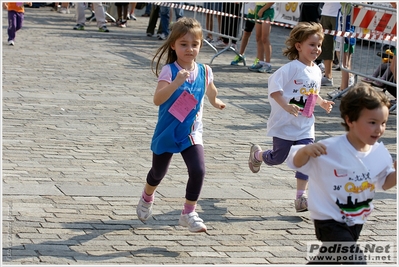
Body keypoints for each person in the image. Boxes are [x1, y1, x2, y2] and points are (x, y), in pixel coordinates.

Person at [286, 83, 396, 264]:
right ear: (350, 120)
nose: (379, 129)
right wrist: (305, 151)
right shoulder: (329, 148)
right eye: (372, 123)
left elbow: (385, 183)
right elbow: (295, 162)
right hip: (329, 221)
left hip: (356, 220)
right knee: (354, 260)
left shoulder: (379, 153)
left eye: (383, 123)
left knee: (330, 259)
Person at [136, 17, 226, 233]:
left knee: (198, 170)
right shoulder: (170, 71)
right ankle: (147, 196)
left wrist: (215, 101)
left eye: (194, 44)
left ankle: (188, 212)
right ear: (173, 45)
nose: (189, 49)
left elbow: (210, 89)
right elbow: (158, 99)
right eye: (184, 44)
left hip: (191, 132)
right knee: (158, 173)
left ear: (201, 45)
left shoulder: (205, 71)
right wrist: (176, 83)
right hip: (168, 130)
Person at [248, 22, 334, 212]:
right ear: (299, 46)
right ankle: (259, 155)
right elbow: (274, 88)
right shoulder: (291, 69)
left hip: (305, 125)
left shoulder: (317, 70)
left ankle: (300, 198)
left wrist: (322, 102)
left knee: (306, 158)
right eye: (312, 44)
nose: (317, 49)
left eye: (319, 45)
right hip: (285, 125)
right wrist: (285, 106)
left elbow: (312, 93)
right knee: (278, 158)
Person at [327, 3, 356, 99]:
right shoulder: (344, 7)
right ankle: (343, 88)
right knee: (343, 62)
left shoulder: (350, 6)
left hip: (345, 37)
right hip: (341, 35)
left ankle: (344, 89)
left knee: (344, 63)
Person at [318, 3, 341, 86]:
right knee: (326, 46)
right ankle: (328, 76)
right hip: (326, 12)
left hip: (340, 13)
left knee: (342, 47)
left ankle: (348, 78)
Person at [248, 2, 275, 73]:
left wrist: (262, 10)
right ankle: (261, 61)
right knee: (258, 37)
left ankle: (268, 64)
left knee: (265, 38)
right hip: (258, 8)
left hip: (267, 10)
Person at [230, 2, 257, 66]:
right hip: (252, 12)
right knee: (246, 33)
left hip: (262, 12)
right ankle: (241, 54)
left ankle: (259, 59)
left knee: (260, 38)